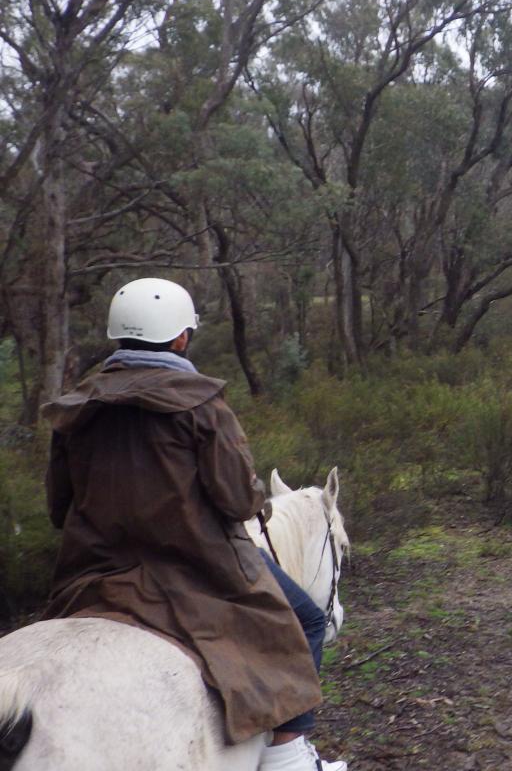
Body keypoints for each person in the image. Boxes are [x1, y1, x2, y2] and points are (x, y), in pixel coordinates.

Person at [41, 278, 346, 771]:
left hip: (95, 571)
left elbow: (59, 508)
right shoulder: (201, 405)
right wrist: (255, 500)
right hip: (196, 569)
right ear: (181, 339)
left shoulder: (76, 409)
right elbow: (235, 500)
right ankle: (288, 753)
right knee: (309, 618)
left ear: (118, 336)